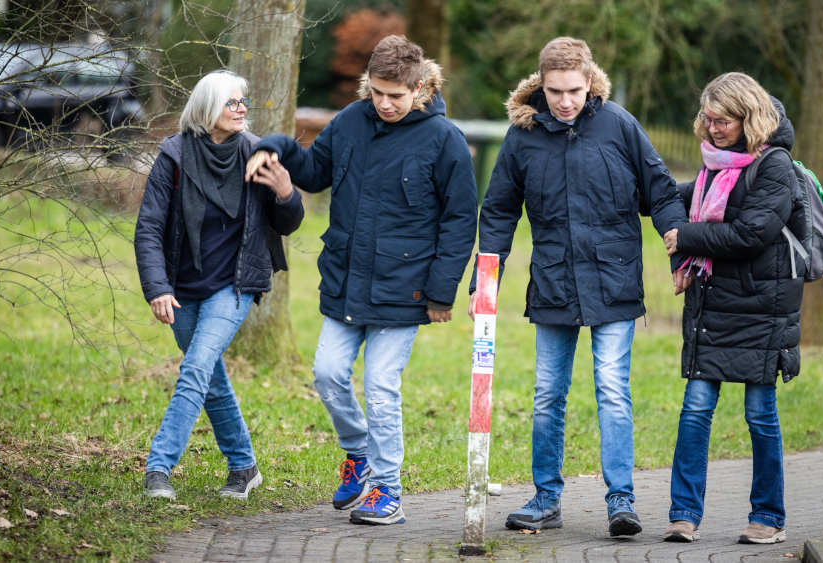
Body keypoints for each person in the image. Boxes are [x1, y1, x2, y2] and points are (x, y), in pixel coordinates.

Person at [245, 35, 477, 525]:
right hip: (346, 282)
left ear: (420, 87)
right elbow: (313, 171)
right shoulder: (350, 122)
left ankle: (387, 490)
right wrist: (276, 149)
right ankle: (358, 453)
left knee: (381, 386)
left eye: (396, 95)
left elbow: (459, 222)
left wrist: (441, 292)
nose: (386, 104)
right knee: (328, 375)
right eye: (377, 93)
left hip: (406, 288)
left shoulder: (445, 140)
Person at [472, 37, 686, 537]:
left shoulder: (619, 124)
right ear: (540, 85)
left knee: (612, 391)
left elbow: (660, 188)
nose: (564, 101)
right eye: (554, 91)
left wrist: (682, 249)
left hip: (614, 283)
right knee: (548, 393)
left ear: (590, 82)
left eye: (573, 90)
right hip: (553, 285)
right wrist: (487, 277)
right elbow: (499, 210)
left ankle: (621, 502)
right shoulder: (522, 136)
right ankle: (546, 499)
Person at [134, 70, 304, 501]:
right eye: (232, 102)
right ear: (209, 108)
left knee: (194, 369)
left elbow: (287, 223)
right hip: (181, 286)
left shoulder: (259, 155)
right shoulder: (173, 155)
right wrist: (157, 287)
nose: (242, 108)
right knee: (208, 377)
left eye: (244, 101)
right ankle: (244, 466)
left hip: (234, 285)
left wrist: (286, 192)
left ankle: (158, 468)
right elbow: (149, 227)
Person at [661, 71, 802, 545]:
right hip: (712, 309)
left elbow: (751, 233)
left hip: (762, 311)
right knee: (695, 410)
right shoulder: (713, 168)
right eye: (708, 118)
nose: (713, 128)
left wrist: (686, 237)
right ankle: (683, 514)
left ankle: (768, 516)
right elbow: (672, 197)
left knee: (760, 415)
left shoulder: (775, 166)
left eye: (724, 120)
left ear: (749, 117)